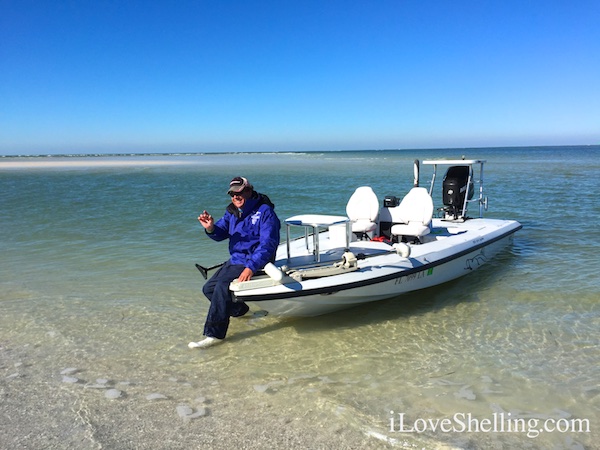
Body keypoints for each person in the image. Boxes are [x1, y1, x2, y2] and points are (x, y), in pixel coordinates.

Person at [189, 176, 280, 349]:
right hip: (236, 260)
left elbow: (268, 244)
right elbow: (221, 232)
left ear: (249, 191)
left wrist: (251, 268)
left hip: (257, 262)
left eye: (239, 192)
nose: (235, 197)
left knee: (223, 285)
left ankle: (214, 334)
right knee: (208, 289)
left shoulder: (265, 212)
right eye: (232, 193)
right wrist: (211, 228)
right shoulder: (232, 212)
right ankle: (243, 311)